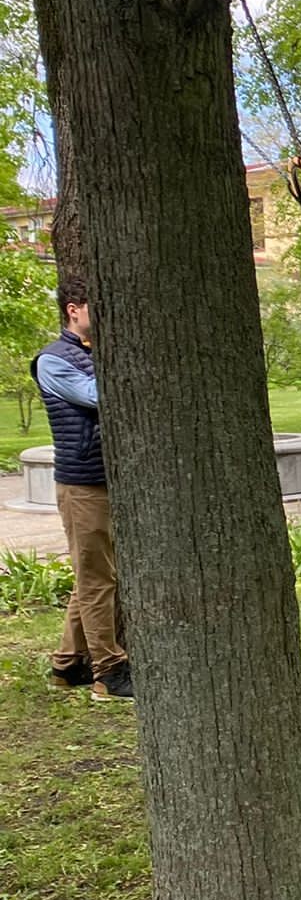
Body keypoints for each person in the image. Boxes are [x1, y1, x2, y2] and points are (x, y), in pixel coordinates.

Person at [33, 278, 132, 701]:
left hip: (102, 480)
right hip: (82, 485)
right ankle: (108, 673)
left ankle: (66, 664)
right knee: (97, 581)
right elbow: (99, 396)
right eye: (96, 305)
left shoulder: (93, 355)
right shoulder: (53, 360)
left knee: (94, 575)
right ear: (73, 309)